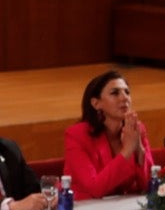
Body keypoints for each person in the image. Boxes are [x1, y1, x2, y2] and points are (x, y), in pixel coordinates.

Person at [63, 68, 153, 200]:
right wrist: (127, 150)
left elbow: (149, 187)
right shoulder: (77, 135)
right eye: (115, 93)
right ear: (96, 103)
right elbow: (95, 188)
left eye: (127, 92)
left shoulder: (135, 129)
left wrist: (139, 149)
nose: (124, 98)